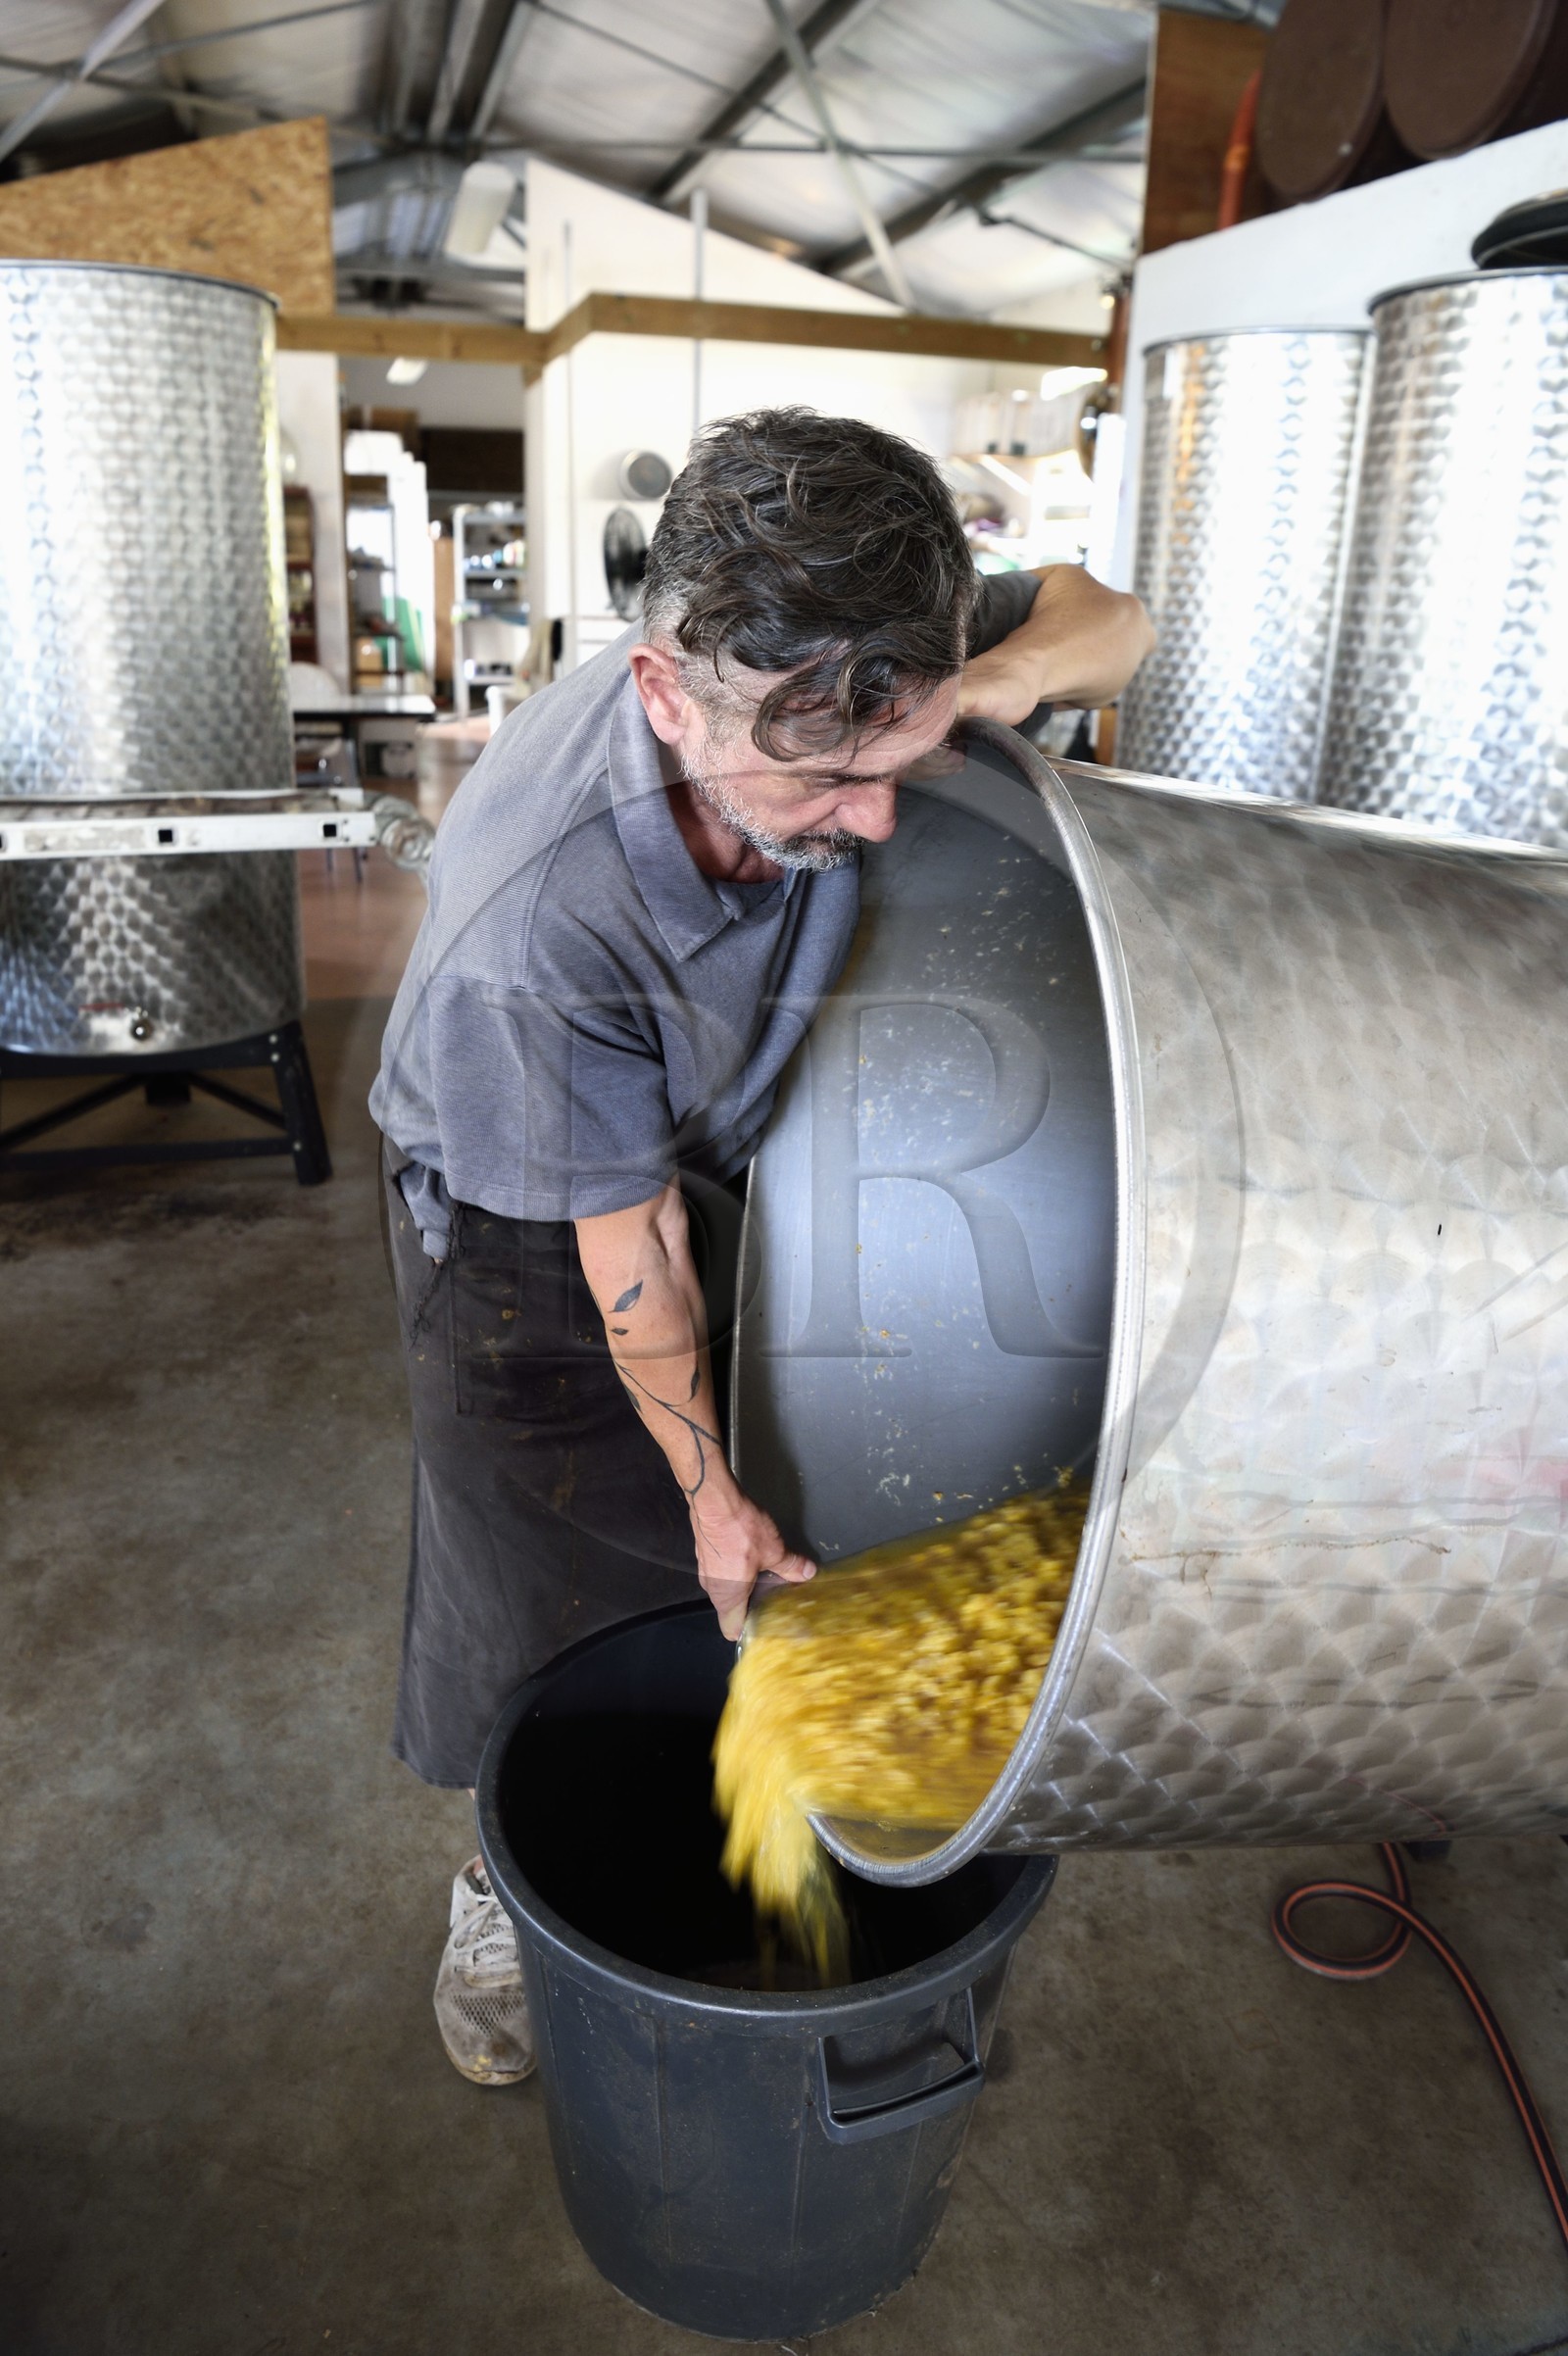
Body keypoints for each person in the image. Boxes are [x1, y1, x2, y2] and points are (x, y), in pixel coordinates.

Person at [370, 407, 1152, 2084]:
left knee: (777, 1533)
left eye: (902, 759)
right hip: (524, 1226)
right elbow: (626, 1237)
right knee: (555, 1582)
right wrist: (706, 1486)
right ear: (665, 695)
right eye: (821, 778)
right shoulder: (541, 917)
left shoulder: (841, 618)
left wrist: (993, 697)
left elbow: (1114, 613)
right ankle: (505, 1884)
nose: (873, 824)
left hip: (721, 1151)